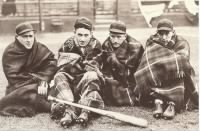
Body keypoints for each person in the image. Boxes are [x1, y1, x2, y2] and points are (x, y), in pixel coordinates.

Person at [134, 19, 199, 120]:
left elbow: (182, 63)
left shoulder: (182, 42)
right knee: (151, 73)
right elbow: (147, 61)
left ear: (173, 32)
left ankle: (172, 104)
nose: (164, 37)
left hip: (176, 76)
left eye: (167, 33)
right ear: (157, 32)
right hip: (158, 75)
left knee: (178, 72)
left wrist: (162, 63)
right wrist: (165, 63)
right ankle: (158, 102)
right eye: (161, 33)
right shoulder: (151, 41)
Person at [49, 17, 104, 128]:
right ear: (74, 33)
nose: (82, 39)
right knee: (59, 76)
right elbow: (61, 65)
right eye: (79, 35)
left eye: (86, 35)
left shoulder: (96, 45)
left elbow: (93, 66)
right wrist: (73, 63)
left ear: (91, 34)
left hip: (86, 82)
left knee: (92, 76)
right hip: (71, 82)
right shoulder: (67, 44)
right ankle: (73, 107)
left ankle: (79, 112)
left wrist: (76, 61)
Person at [0, 22, 58, 117]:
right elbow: (15, 78)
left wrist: (43, 80)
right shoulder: (10, 52)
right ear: (17, 37)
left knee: (57, 86)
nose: (28, 40)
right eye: (25, 37)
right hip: (20, 87)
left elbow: (51, 63)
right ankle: (49, 106)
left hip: (42, 84)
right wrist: (39, 81)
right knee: (26, 95)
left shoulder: (39, 48)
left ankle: (44, 102)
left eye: (31, 36)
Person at [100, 21, 144, 106]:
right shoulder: (106, 45)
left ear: (125, 36)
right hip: (113, 77)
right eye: (112, 36)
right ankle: (117, 91)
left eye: (119, 37)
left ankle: (124, 94)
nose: (115, 40)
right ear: (109, 35)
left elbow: (138, 69)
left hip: (131, 78)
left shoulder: (136, 47)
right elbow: (105, 67)